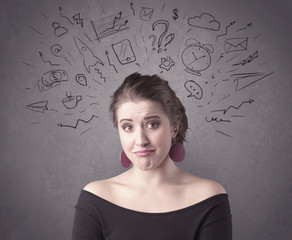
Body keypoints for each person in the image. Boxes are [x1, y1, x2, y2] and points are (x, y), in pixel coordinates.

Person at [72, 72, 232, 240]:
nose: (140, 140)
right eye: (127, 127)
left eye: (152, 124)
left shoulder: (208, 197)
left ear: (174, 127)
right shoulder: (95, 198)